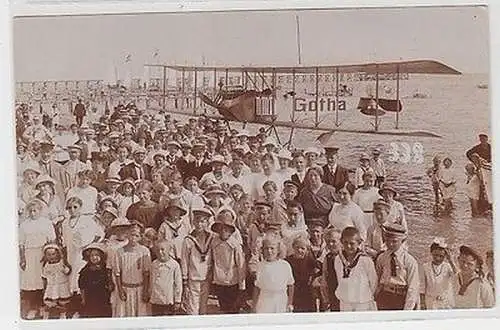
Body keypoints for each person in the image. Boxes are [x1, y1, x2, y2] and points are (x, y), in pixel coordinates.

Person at [19, 200, 57, 320]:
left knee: (44, 279)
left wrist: (49, 257)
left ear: (40, 211)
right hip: (30, 254)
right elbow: (21, 244)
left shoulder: (46, 223)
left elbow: (52, 240)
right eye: (30, 211)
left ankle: (44, 306)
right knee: (32, 281)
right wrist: (23, 259)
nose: (33, 213)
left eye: (35, 210)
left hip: (43, 253)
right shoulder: (24, 224)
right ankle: (33, 308)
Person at [375, 223, 420, 310]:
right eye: (387, 240)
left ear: (402, 241)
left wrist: (407, 309)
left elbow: (413, 287)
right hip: (385, 296)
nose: (390, 244)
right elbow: (377, 278)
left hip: (401, 297)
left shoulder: (409, 261)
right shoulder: (382, 258)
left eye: (394, 241)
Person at [208, 211, 246, 314]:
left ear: (230, 231)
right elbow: (211, 260)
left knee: (233, 308)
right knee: (223, 307)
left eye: (226, 229)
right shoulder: (214, 242)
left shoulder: (235, 244)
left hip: (232, 281)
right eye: (220, 228)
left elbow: (241, 265)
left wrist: (242, 286)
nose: (223, 231)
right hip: (219, 281)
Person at [181, 207, 214, 315]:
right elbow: (184, 260)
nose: (199, 224)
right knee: (192, 308)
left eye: (203, 221)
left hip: (206, 277)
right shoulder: (188, 240)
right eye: (197, 221)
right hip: (193, 278)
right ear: (193, 222)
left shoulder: (212, 238)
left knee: (203, 307)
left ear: (207, 223)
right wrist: (185, 279)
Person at [112, 224, 152, 317]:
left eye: (136, 235)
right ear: (127, 235)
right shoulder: (120, 252)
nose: (133, 238)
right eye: (131, 235)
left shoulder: (144, 251)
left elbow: (146, 273)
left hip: (140, 289)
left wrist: (145, 291)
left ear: (140, 237)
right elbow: (117, 273)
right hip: (125, 289)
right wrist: (120, 290)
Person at [335, 227, 378, 311]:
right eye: (345, 242)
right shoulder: (338, 259)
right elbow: (339, 279)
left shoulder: (366, 260)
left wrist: (365, 296)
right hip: (345, 301)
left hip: (362, 302)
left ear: (359, 243)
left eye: (352, 243)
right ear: (341, 242)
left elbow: (373, 282)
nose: (348, 246)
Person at [252, 236, 295, 313]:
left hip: (281, 300)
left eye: (272, 248)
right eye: (266, 248)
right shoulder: (260, 266)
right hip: (265, 301)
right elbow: (257, 287)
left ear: (278, 250)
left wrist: (289, 303)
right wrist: (254, 306)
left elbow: (291, 285)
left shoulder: (285, 265)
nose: (269, 251)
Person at [420, 238, 457, 310]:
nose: (438, 258)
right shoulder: (425, 267)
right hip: (430, 302)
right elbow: (422, 287)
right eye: (435, 255)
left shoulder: (448, 266)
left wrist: (451, 260)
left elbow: (458, 277)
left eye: (441, 256)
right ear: (431, 253)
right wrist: (422, 303)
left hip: (446, 302)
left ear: (445, 256)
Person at [78, 243, 114, 318]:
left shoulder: (105, 269)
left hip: (103, 297)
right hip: (91, 297)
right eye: (92, 255)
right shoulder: (85, 270)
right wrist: (83, 299)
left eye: (97, 255)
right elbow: (82, 286)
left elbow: (110, 282)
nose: (94, 257)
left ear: (101, 256)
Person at [149, 240, 183, 316]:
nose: (160, 252)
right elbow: (151, 281)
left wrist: (177, 300)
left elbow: (178, 284)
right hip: (156, 300)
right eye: (157, 250)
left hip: (168, 301)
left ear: (169, 250)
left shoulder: (174, 265)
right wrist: (150, 293)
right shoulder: (154, 264)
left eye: (163, 249)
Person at [40, 243, 72, 319]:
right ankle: (47, 314)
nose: (51, 257)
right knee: (50, 302)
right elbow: (44, 277)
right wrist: (44, 288)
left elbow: (67, 272)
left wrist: (65, 269)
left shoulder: (62, 262)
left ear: (57, 254)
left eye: (53, 254)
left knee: (62, 302)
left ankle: (63, 314)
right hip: (51, 286)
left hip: (61, 286)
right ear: (45, 256)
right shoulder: (46, 265)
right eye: (48, 255)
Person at [285, 237, 316, 312]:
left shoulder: (311, 261)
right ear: (293, 247)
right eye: (297, 247)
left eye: (302, 248)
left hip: (307, 296)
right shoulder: (287, 262)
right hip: (292, 295)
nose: (299, 250)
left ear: (307, 250)